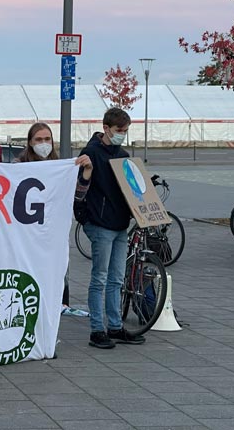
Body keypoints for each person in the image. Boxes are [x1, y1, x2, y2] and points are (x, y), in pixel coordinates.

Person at [79, 107, 143, 349]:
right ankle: (97, 329)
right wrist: (86, 219)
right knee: (100, 278)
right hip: (101, 223)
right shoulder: (92, 153)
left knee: (116, 278)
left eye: (126, 131)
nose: (122, 135)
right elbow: (80, 187)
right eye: (119, 131)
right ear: (106, 128)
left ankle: (114, 326)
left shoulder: (123, 154)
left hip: (119, 223)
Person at [17, 123, 93, 317]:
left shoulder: (61, 166)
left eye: (47, 139)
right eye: (39, 140)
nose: (44, 143)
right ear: (30, 143)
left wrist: (85, 174)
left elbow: (76, 197)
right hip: (28, 238)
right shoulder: (19, 166)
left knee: (54, 279)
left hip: (52, 236)